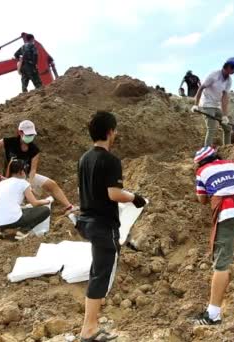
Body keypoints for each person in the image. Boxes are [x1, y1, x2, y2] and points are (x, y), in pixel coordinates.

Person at [76, 111, 147, 341]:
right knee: (101, 274)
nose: (115, 134)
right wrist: (135, 197)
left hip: (86, 221)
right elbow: (114, 193)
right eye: (114, 130)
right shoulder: (110, 160)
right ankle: (89, 329)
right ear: (109, 132)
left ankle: (92, 321)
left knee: (98, 271)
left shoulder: (84, 158)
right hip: (103, 224)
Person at [192, 147, 234, 325]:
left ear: (200, 163)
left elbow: (202, 199)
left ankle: (213, 315)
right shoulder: (230, 163)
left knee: (221, 265)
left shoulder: (201, 171)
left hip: (230, 214)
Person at [0, 120, 76, 213]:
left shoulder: (34, 149)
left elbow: (33, 169)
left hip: (26, 175)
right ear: (20, 132)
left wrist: (29, 184)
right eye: (28, 135)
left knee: (52, 184)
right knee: (19, 201)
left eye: (32, 135)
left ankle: (69, 207)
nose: (30, 137)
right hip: (11, 178)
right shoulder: (8, 142)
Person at [0, 159, 51, 240]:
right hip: (13, 221)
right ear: (21, 172)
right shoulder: (23, 183)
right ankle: (23, 232)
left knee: (7, 209)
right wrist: (47, 201)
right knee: (45, 210)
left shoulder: (2, 183)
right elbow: (35, 203)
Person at [191, 57, 234, 147]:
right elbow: (201, 88)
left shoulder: (229, 81)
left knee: (227, 128)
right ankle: (206, 151)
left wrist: (225, 115)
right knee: (211, 128)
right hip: (207, 104)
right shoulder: (214, 75)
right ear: (229, 67)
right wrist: (196, 105)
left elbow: (224, 97)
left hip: (217, 105)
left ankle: (227, 149)